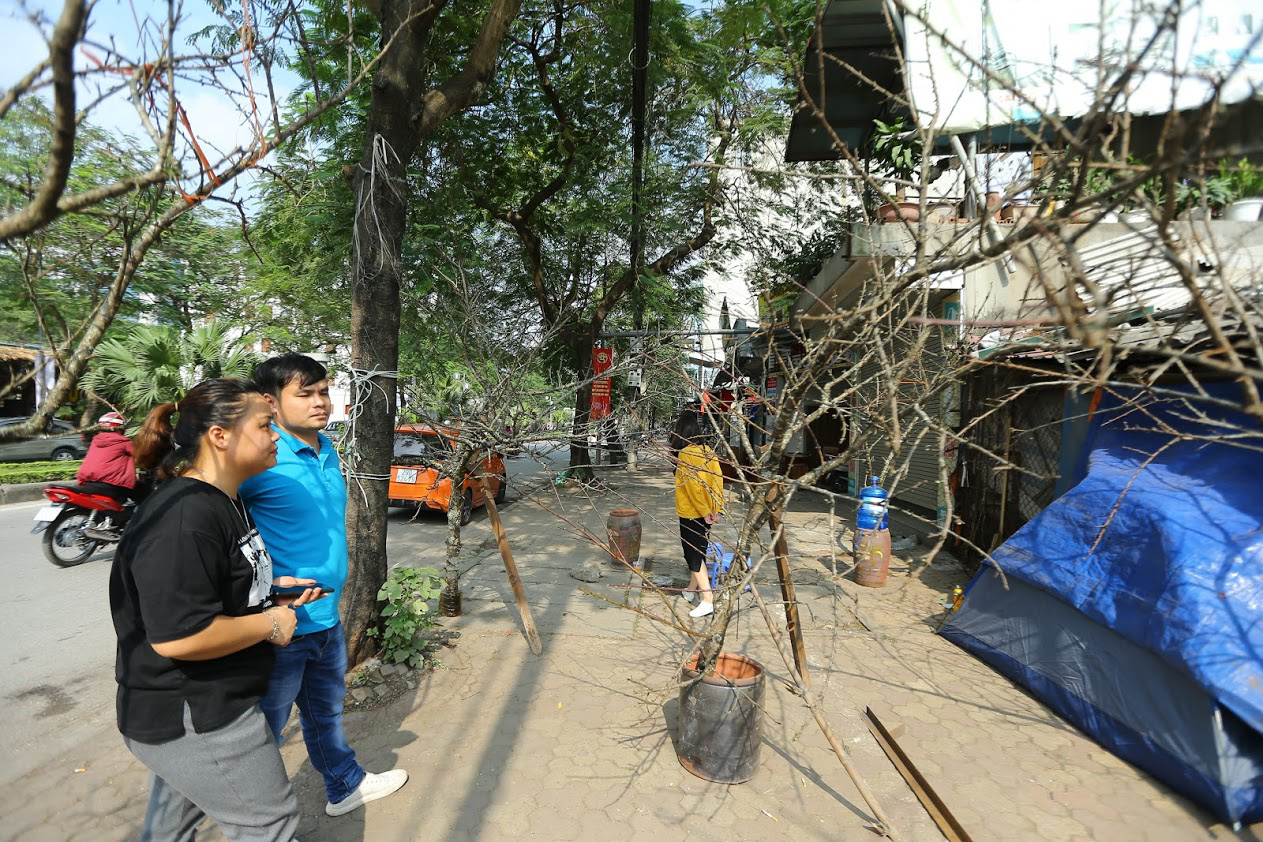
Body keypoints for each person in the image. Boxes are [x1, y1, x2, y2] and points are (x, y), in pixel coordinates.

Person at [110, 378, 326, 841]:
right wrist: (272, 623)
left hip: (199, 703)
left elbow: (215, 589)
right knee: (270, 822)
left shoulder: (227, 499)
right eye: (265, 425)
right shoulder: (185, 516)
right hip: (196, 710)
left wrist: (271, 594)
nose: (275, 436)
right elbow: (179, 636)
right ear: (220, 435)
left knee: (172, 827)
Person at [240, 353, 408, 817]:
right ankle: (257, 818)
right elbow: (220, 533)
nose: (321, 402)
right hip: (279, 626)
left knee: (325, 715)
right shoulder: (259, 455)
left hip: (326, 618)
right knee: (263, 732)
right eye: (306, 393)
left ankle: (344, 786)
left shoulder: (327, 447)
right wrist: (264, 590)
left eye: (323, 391)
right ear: (270, 403)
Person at [673, 410, 724, 619]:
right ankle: (691, 590)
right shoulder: (708, 452)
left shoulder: (686, 454)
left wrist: (704, 512)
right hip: (707, 512)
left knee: (692, 554)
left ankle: (707, 600)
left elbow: (693, 487)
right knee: (700, 549)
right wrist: (716, 509)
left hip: (692, 512)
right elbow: (718, 481)